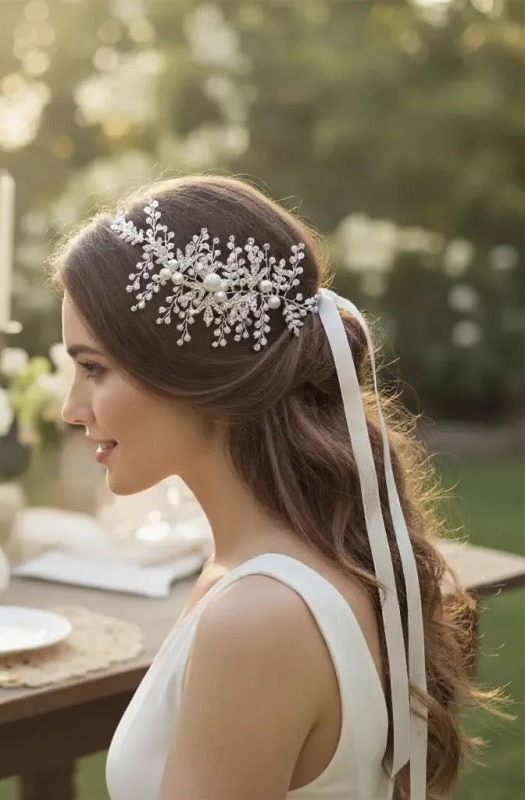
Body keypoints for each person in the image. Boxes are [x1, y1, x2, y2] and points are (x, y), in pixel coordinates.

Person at [49, 176, 483, 800]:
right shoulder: (302, 560)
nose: (71, 407)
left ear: (187, 368)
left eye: (93, 368)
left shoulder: (258, 619)